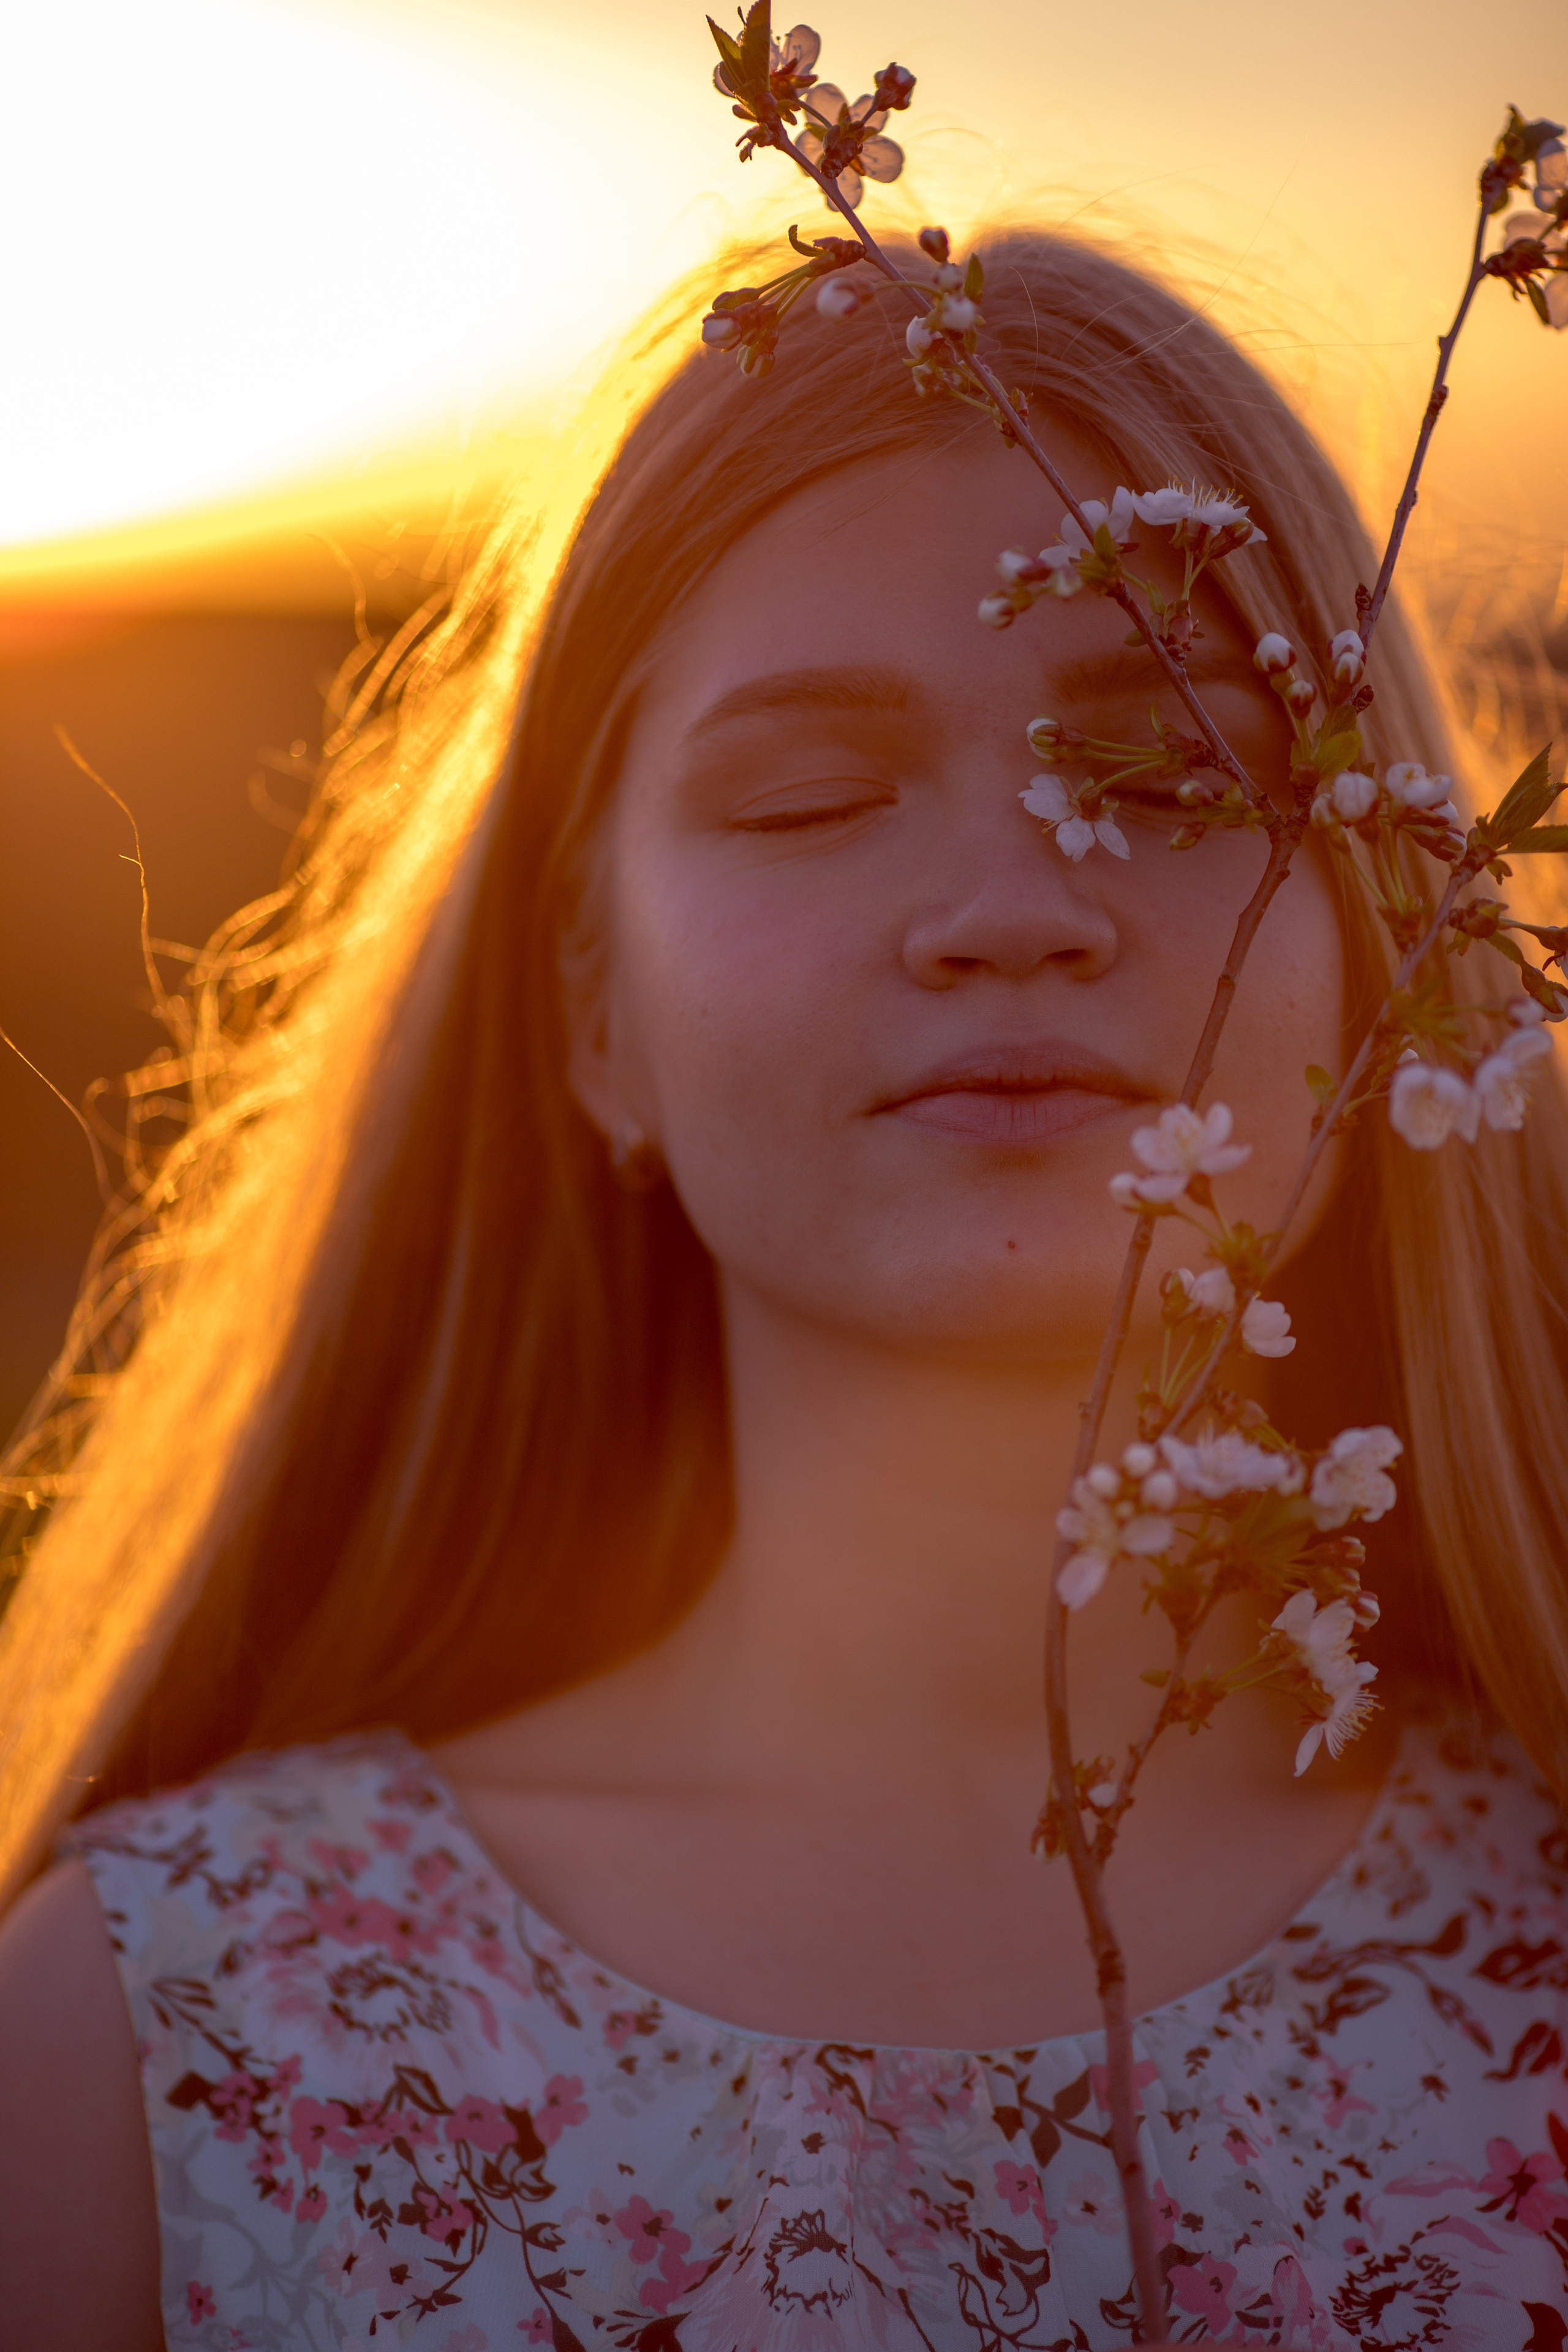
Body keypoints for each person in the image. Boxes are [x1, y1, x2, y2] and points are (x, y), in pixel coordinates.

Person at [2, 230, 1567, 2352]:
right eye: (815, 798)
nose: (1010, 909)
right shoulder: (152, 2041)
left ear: (1389, 937)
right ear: (590, 1015)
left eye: (1168, 779)